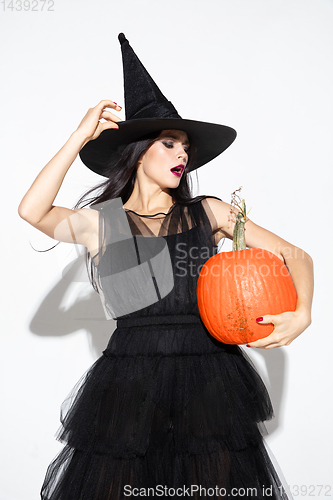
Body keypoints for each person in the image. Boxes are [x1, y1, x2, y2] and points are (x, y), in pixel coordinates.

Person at [18, 34, 313, 500]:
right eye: (169, 143)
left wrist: (303, 312)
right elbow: (32, 211)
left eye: (185, 148)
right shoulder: (103, 223)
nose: (182, 155)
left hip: (210, 373)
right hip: (127, 381)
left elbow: (297, 256)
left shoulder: (209, 212)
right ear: (137, 151)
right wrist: (79, 137)